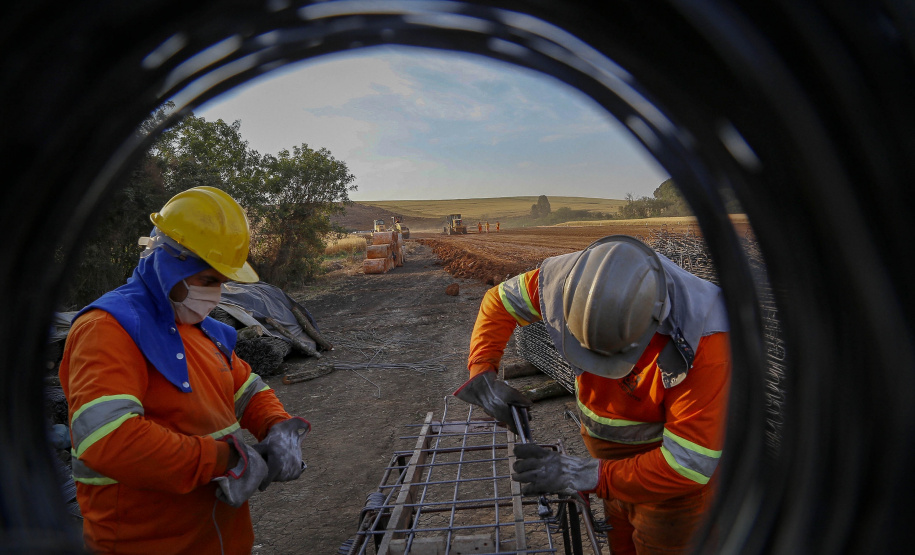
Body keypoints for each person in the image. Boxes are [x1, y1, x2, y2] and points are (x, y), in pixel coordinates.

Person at [59, 186, 311, 554]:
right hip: (146, 541)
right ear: (169, 264)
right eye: (208, 281)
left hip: (221, 537)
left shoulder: (201, 328)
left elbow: (246, 388)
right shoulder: (108, 328)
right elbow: (109, 441)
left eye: (222, 282)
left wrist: (277, 427)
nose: (216, 293)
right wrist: (228, 459)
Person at [454, 235, 730, 554]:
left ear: (654, 322)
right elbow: (498, 301)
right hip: (610, 477)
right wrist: (483, 370)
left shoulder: (706, 339)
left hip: (669, 493)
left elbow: (687, 465)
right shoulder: (563, 282)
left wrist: (586, 474)